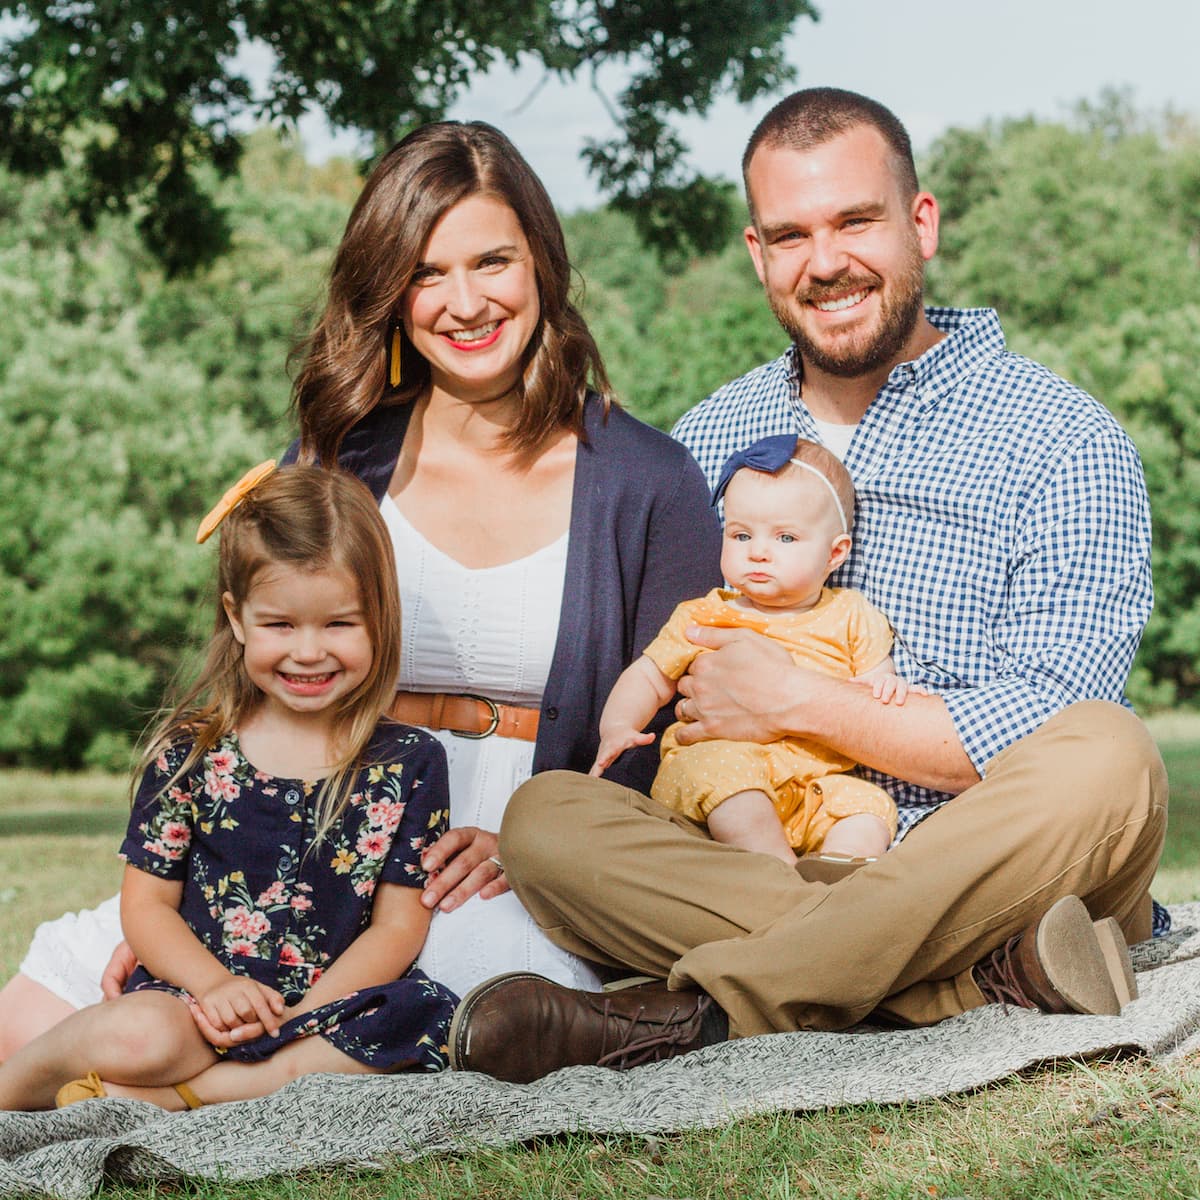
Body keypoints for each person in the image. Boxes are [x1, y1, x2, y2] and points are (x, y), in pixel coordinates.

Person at [446, 87, 1166, 1084]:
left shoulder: (1061, 441)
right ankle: (966, 978)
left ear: (922, 224)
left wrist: (803, 703)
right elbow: (651, 684)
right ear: (757, 253)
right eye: (791, 235)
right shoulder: (701, 442)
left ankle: (699, 1016)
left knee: (1111, 752)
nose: (825, 262)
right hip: (757, 857)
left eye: (855, 221)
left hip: (993, 857)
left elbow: (1046, 714)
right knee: (547, 821)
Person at [0, 120, 722, 1059]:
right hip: (299, 825)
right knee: (59, 980)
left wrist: (538, 843)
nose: (464, 302)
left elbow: (678, 730)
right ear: (390, 290)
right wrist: (179, 939)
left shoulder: (646, 478)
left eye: (492, 261)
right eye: (426, 273)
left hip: (508, 868)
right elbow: (258, 671)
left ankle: (170, 1086)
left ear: (541, 262)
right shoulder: (341, 455)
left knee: (447, 996)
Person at [0, 465, 459, 1109]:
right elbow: (147, 907)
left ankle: (168, 1100)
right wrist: (215, 987)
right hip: (198, 1004)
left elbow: (396, 928)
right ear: (237, 618)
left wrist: (301, 1014)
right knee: (140, 1034)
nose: (308, 652)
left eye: (339, 625)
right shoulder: (192, 753)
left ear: (380, 619)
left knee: (425, 1027)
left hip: (331, 1006)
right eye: (280, 625)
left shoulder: (410, 761)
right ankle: (11, 1091)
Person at [592, 435, 901, 865]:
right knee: (728, 780)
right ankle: (777, 873)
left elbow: (873, 683)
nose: (757, 552)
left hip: (814, 782)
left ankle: (836, 872)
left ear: (835, 553)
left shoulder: (851, 614)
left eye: (786, 538)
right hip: (724, 770)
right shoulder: (705, 615)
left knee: (870, 809)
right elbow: (650, 674)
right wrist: (619, 724)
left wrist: (885, 686)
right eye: (740, 534)